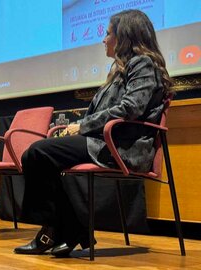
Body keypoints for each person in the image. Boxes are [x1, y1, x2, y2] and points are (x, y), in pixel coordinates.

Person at [14, 9, 173, 257]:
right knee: (36, 155)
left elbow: (131, 108)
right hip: (104, 141)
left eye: (108, 34)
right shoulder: (120, 69)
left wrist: (83, 126)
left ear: (124, 37)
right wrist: (79, 126)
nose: (103, 39)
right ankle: (70, 228)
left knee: (36, 153)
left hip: (121, 146)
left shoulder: (143, 63)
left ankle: (61, 229)